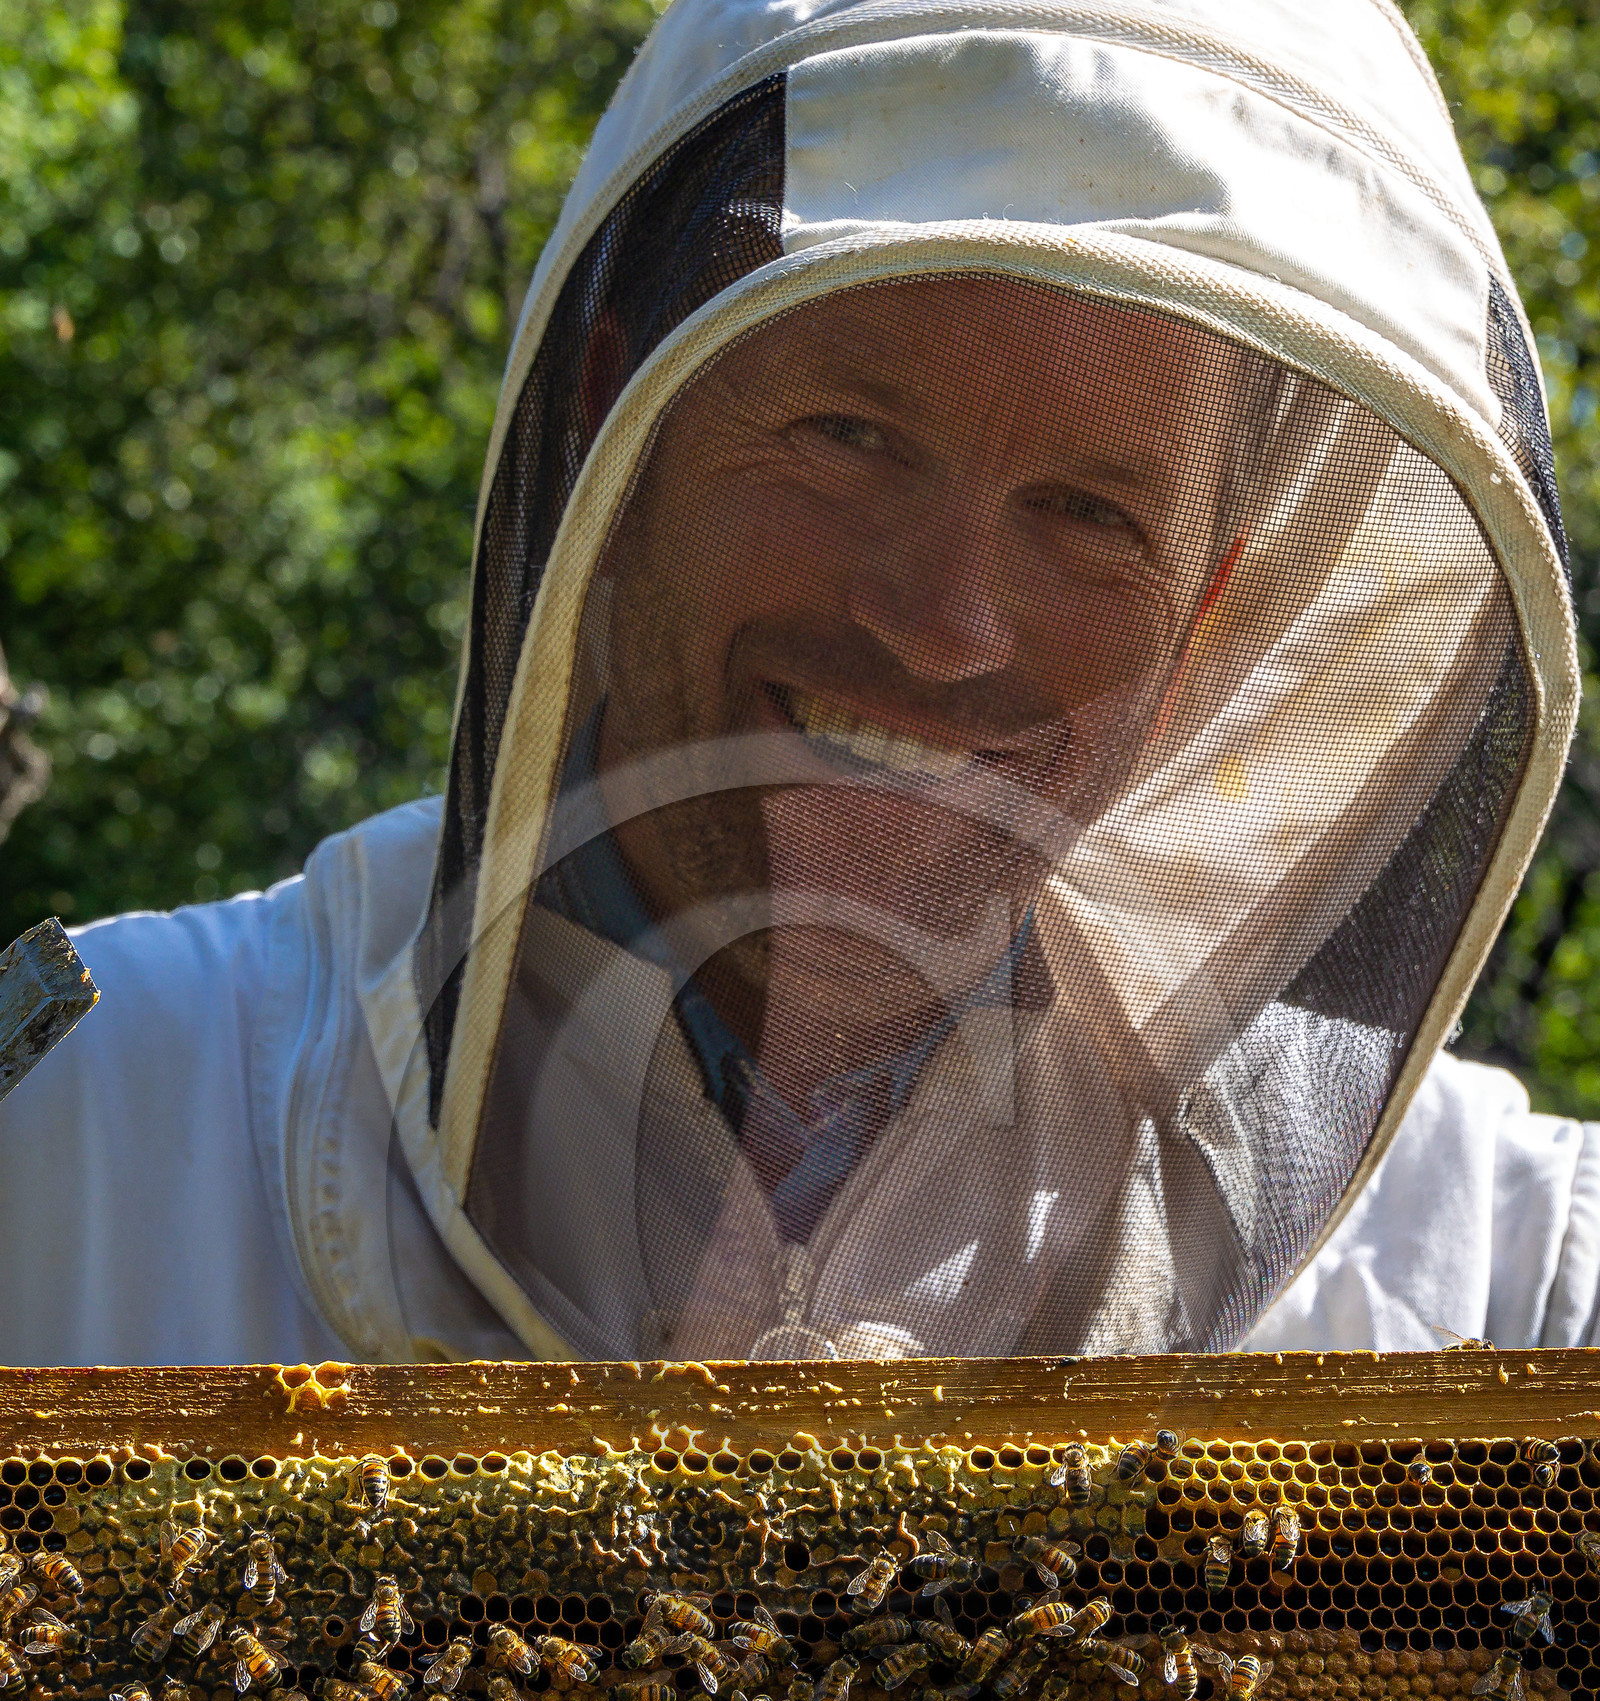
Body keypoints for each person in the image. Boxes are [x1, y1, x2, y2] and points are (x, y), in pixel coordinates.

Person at [0, 0, 1588, 1365]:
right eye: (848, 436)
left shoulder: (1506, 1285)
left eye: (1091, 516)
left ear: (1205, 616)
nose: (946, 622)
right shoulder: (82, 1134)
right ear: (615, 435)